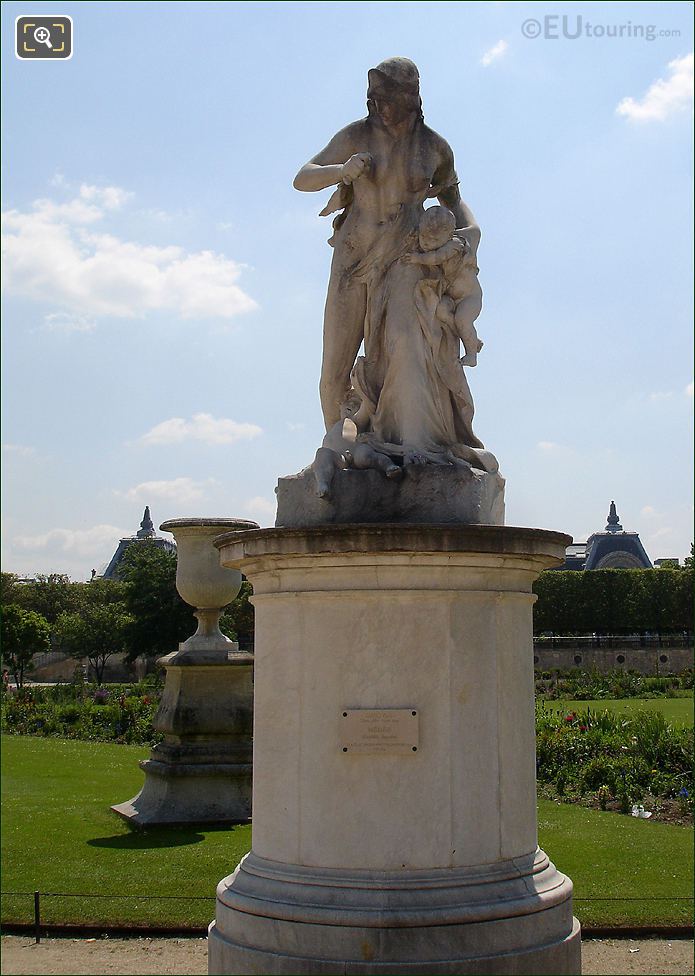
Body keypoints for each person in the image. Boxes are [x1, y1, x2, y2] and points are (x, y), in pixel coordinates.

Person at [403, 206, 484, 367]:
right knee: (441, 313)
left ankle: (471, 355)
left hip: (469, 298)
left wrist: (417, 258)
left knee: (462, 319)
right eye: (424, 237)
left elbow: (436, 258)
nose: (426, 243)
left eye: (433, 240)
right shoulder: (438, 242)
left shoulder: (454, 245)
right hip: (452, 298)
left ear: (448, 236)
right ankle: (470, 339)